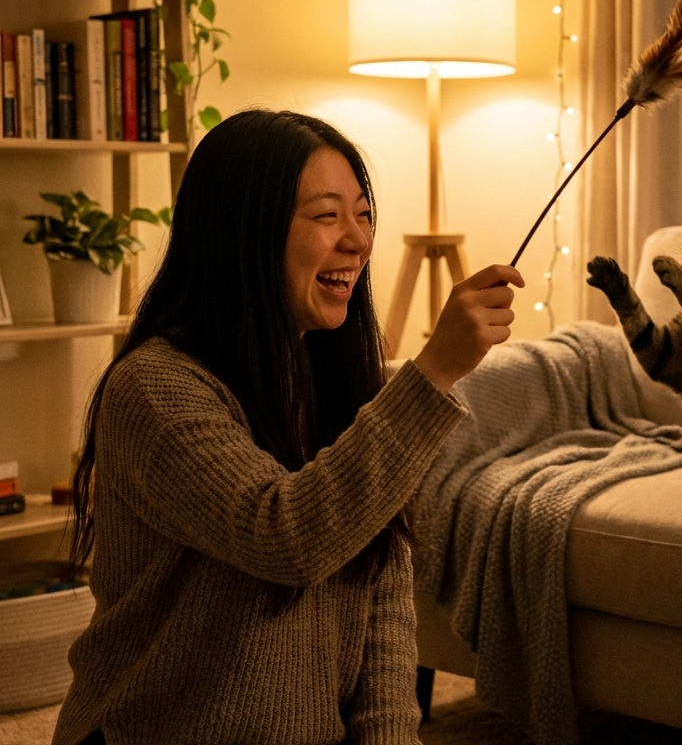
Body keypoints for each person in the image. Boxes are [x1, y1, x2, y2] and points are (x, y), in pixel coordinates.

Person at [52, 109, 524, 745]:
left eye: (362, 213)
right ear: (244, 232)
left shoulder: (330, 378)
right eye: (327, 215)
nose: (357, 240)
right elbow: (284, 536)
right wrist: (433, 369)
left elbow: (381, 599)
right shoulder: (154, 388)